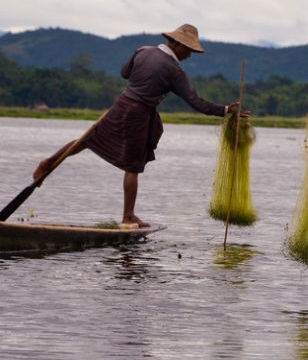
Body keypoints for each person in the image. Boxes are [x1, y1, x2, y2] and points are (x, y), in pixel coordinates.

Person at [33, 23, 249, 228]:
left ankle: (48, 162)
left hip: (121, 104)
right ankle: (128, 216)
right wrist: (225, 110)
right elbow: (196, 101)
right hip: (139, 113)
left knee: (87, 140)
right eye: (189, 50)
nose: (189, 55)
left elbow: (124, 73)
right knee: (133, 166)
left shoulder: (143, 51)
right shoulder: (174, 71)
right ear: (178, 45)